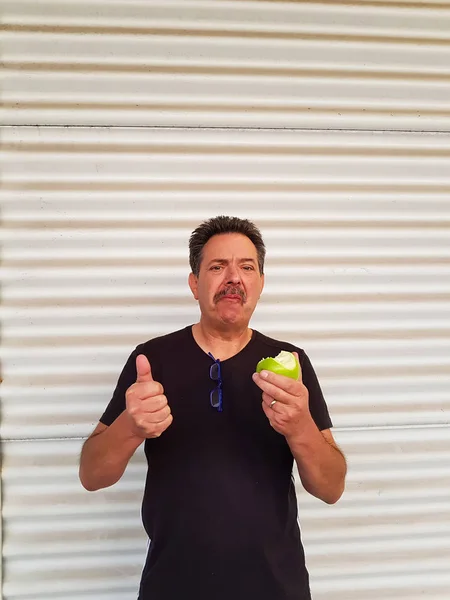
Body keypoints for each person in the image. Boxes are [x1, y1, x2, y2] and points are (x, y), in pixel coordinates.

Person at [79, 215, 346, 600]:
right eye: (218, 267)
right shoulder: (150, 361)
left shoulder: (290, 363)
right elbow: (91, 475)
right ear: (194, 283)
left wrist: (301, 427)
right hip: (171, 587)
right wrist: (130, 427)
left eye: (247, 267)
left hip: (276, 588)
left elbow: (331, 487)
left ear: (261, 283)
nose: (233, 278)